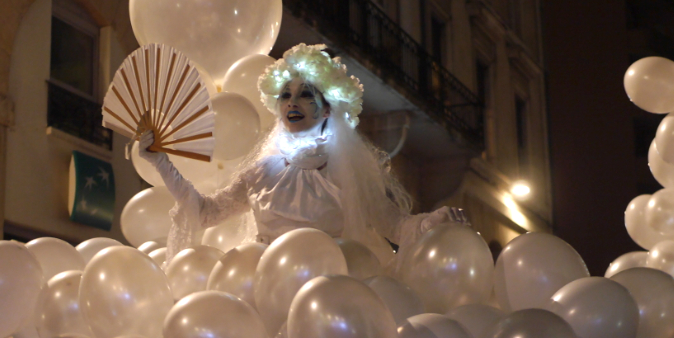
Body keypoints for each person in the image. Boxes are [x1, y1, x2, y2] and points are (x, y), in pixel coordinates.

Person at [138, 43, 466, 265]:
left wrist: (432, 223)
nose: (292, 102)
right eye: (285, 95)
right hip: (264, 290)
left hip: (327, 302)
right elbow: (206, 212)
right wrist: (161, 161)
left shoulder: (348, 173)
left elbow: (395, 226)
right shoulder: (262, 173)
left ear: (327, 110)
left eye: (306, 94)